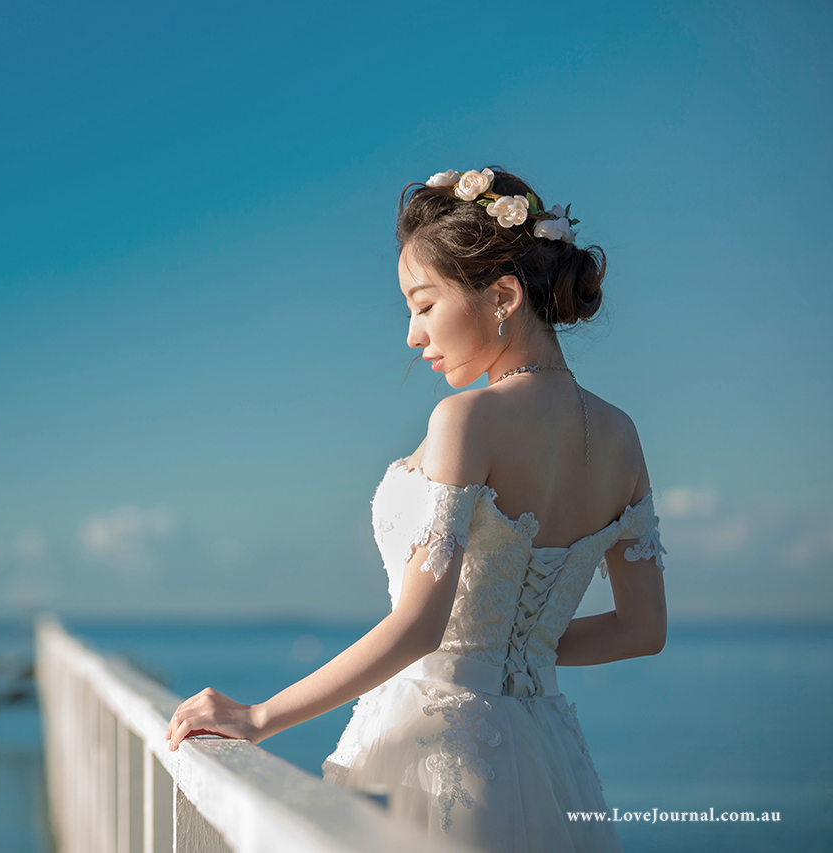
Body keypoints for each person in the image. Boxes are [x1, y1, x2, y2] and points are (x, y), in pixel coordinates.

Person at [164, 167, 667, 852]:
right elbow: (644, 628)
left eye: (424, 304)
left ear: (503, 296)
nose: (411, 334)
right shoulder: (621, 434)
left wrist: (258, 714)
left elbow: (421, 627)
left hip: (440, 757)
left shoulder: (467, 419)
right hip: (550, 757)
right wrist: (520, 648)